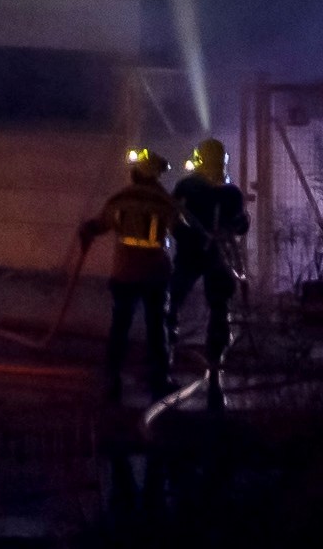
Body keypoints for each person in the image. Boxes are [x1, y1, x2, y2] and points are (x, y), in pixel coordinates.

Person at [76, 148, 175, 393]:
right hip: (155, 273)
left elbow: (99, 225)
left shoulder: (119, 200)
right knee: (156, 327)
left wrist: (87, 229)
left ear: (136, 174)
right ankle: (160, 377)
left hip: (124, 272)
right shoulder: (164, 201)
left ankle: (112, 374)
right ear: (155, 176)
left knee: (120, 324)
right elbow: (181, 228)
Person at [170, 136, 250, 380]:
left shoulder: (187, 187)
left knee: (172, 303)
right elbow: (241, 225)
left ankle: (165, 356)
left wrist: (186, 237)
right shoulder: (231, 193)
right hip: (217, 257)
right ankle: (215, 362)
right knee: (218, 308)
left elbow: (173, 219)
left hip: (192, 254)